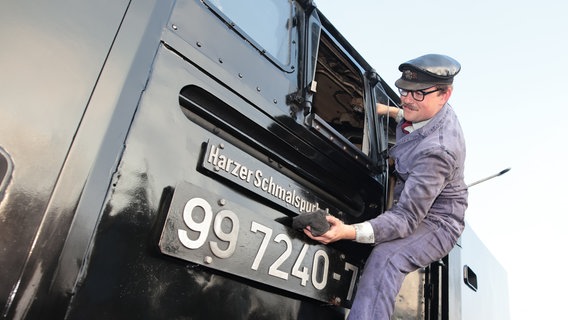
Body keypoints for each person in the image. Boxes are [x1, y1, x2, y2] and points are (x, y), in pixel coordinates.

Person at [303, 54, 468, 319]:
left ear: (445, 94)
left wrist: (347, 231)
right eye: (405, 90)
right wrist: (385, 110)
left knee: (387, 258)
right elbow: (409, 111)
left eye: (418, 94)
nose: (407, 99)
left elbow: (405, 219)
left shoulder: (438, 150)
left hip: (438, 221)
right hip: (414, 200)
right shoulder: (428, 107)